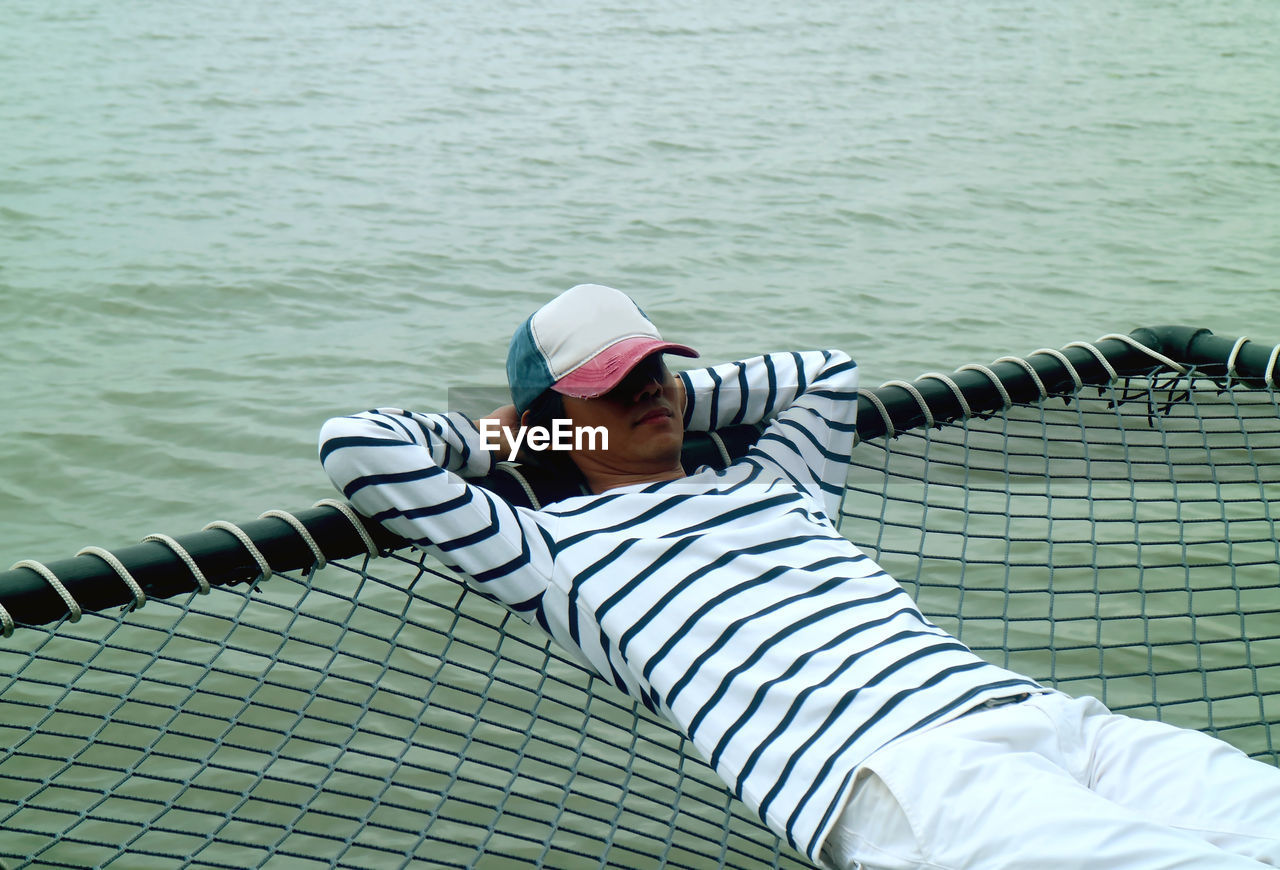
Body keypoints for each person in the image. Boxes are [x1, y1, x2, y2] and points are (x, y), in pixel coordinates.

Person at [319, 283, 1280, 869]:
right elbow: (359, 445)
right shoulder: (549, 554)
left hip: (1059, 723)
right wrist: (520, 432)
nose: (652, 389)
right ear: (557, 415)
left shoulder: (776, 483)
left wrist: (679, 401)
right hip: (902, 777)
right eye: (617, 383)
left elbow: (827, 370)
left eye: (659, 368)